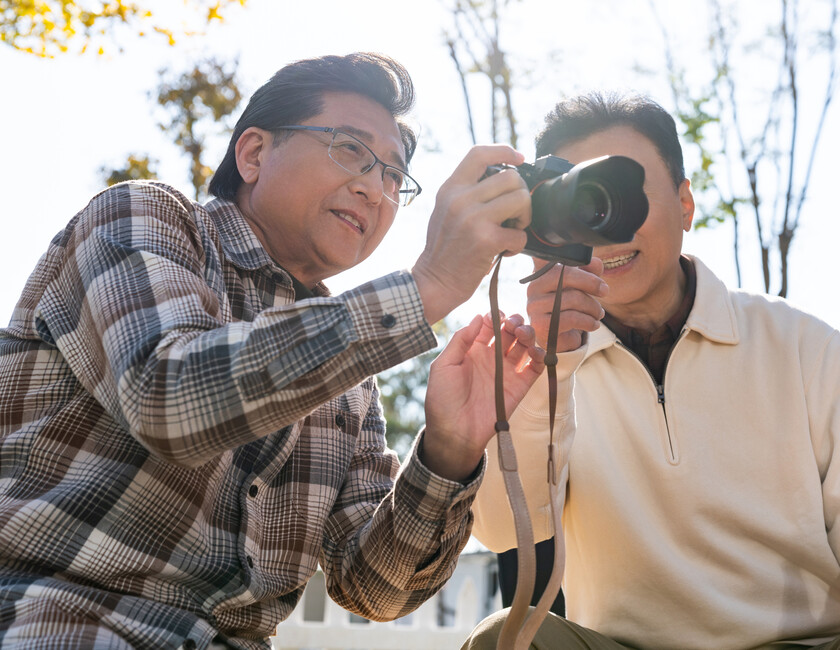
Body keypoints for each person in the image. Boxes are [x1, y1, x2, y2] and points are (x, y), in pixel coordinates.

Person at [0, 52, 546, 650]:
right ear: (253, 153)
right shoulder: (144, 217)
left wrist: (448, 451)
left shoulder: (347, 376)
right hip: (62, 619)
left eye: (394, 175)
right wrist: (429, 286)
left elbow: (374, 589)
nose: (374, 188)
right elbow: (167, 396)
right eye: (350, 149)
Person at [464, 92, 840, 649]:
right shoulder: (531, 361)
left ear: (685, 203)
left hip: (812, 644)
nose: (607, 229)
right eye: (583, 201)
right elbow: (500, 529)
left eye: (623, 194)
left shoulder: (802, 341)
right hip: (627, 645)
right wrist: (549, 370)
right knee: (503, 640)